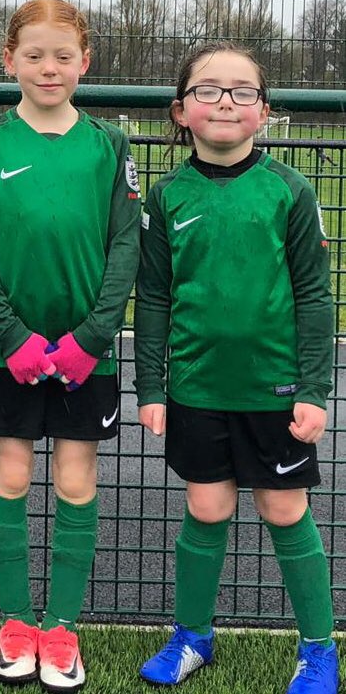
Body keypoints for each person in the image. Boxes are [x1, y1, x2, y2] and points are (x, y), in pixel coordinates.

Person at [136, 42, 338, 694]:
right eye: (209, 89)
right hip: (196, 388)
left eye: (242, 91)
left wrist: (313, 387)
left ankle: (319, 647)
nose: (226, 100)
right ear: (181, 110)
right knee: (206, 504)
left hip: (274, 392)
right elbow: (156, 295)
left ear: (265, 112)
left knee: (284, 509)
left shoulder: (289, 189)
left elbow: (314, 292)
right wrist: (151, 385)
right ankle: (193, 634)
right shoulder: (168, 195)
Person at [0, 0, 141, 690]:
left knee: (74, 480)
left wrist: (92, 338)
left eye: (63, 55)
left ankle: (61, 627)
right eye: (33, 54)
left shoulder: (108, 146)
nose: (48, 67)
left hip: (85, 356)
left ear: (84, 61)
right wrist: (8, 335)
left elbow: (126, 243)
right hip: (9, 353)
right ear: (9, 60)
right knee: (9, 475)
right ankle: (15, 622)